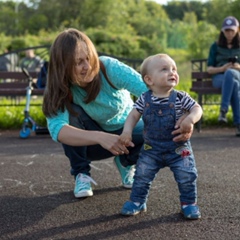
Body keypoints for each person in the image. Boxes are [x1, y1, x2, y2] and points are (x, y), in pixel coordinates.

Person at [42, 29, 193, 199]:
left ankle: (126, 162)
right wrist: (100, 137)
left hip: (128, 133)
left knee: (168, 130)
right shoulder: (59, 87)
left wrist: (184, 115)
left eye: (89, 58)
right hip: (92, 142)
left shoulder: (109, 67)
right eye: (79, 62)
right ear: (64, 66)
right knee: (71, 114)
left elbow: (151, 90)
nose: (88, 66)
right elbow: (58, 130)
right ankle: (81, 174)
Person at [119, 53, 202, 220]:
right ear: (149, 80)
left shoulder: (180, 97)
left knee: (187, 175)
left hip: (178, 148)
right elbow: (133, 115)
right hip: (151, 149)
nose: (172, 72)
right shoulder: (144, 99)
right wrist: (127, 131)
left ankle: (188, 203)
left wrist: (191, 119)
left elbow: (197, 109)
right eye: (164, 69)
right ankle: (137, 201)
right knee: (142, 175)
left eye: (174, 69)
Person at [207, 16, 240, 136]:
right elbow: (209, 69)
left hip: (237, 74)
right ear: (223, 31)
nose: (229, 33)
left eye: (232, 30)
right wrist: (222, 68)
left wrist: (237, 67)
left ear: (237, 30)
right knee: (234, 84)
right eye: (227, 30)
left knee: (231, 74)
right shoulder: (215, 46)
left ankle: (223, 110)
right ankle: (238, 124)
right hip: (219, 77)